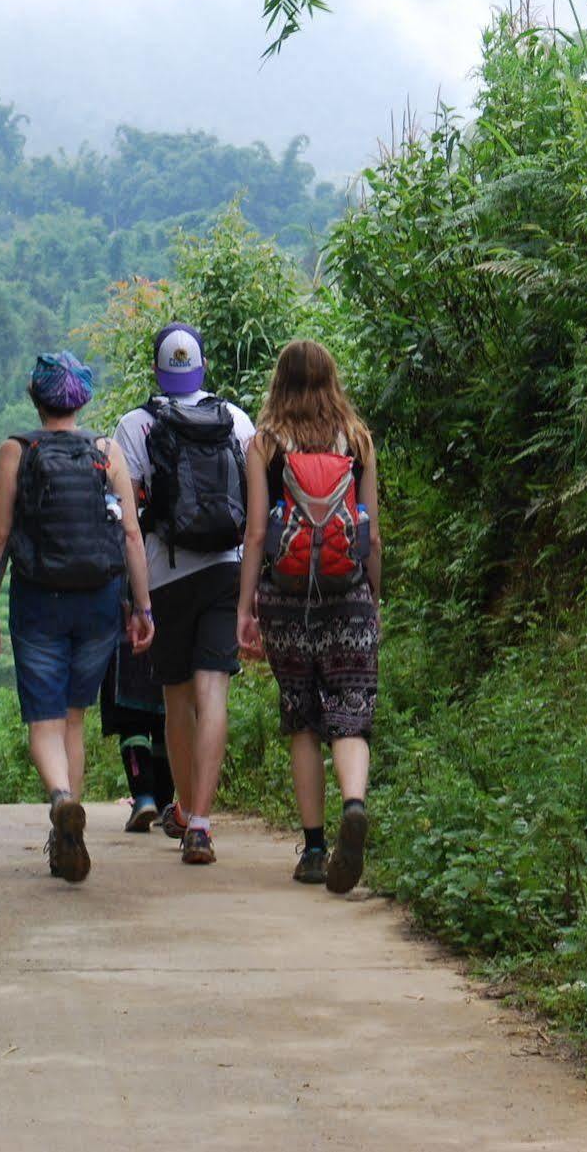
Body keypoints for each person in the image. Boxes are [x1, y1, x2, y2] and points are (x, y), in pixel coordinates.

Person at [0, 351, 155, 883]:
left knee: (44, 717)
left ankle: (60, 802)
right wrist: (143, 607)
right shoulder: (107, 451)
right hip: (100, 600)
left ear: (36, 398)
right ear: (82, 400)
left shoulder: (16, 451)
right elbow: (130, 535)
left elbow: (0, 534)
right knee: (75, 713)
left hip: (38, 598)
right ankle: (67, 828)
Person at [235, 340, 382, 893]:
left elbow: (254, 534)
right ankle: (354, 803)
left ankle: (316, 848)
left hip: (285, 598)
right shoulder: (358, 439)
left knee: (302, 716)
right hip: (349, 597)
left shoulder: (265, 444)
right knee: (351, 712)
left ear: (279, 382)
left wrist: (245, 607)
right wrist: (374, 599)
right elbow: (371, 535)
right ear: (331, 379)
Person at [112, 323, 254, 866]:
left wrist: (139, 603)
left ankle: (185, 806)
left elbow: (129, 519)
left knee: (176, 699)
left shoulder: (134, 426)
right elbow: (255, 508)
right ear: (201, 368)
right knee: (212, 691)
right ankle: (200, 823)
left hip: (165, 574)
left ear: (156, 370)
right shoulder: (236, 419)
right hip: (225, 568)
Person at [98, 608, 173, 831]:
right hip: (168, 630)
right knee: (166, 723)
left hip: (127, 632)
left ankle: (143, 798)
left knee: (132, 726)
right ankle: (165, 804)